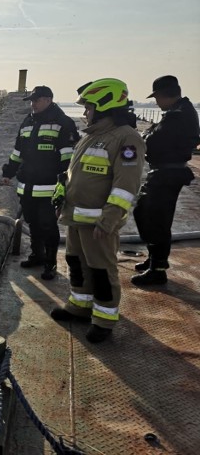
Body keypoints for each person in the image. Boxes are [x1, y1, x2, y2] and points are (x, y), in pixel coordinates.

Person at [50, 78, 145, 343]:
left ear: (104, 106)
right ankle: (80, 306)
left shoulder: (126, 138)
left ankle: (104, 319)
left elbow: (126, 185)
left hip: (99, 224)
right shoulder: (92, 136)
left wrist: (110, 218)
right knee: (76, 264)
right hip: (75, 217)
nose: (85, 112)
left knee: (101, 270)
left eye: (89, 107)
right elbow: (75, 174)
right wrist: (62, 192)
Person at [1, 85, 79, 280]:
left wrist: (64, 184)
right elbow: (18, 152)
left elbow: (67, 158)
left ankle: (50, 263)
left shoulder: (63, 123)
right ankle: (37, 255)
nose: (33, 104)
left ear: (48, 100)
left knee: (48, 225)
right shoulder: (27, 122)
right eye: (31, 101)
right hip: (27, 185)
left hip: (49, 187)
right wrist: (8, 173)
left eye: (36, 100)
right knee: (33, 223)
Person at [131, 76, 200, 285]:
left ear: (164, 95)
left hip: (167, 173)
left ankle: (158, 268)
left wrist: (146, 136)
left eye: (157, 98)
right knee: (145, 213)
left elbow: (152, 140)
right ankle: (155, 258)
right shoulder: (180, 111)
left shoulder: (178, 115)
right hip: (165, 172)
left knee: (156, 220)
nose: (157, 103)